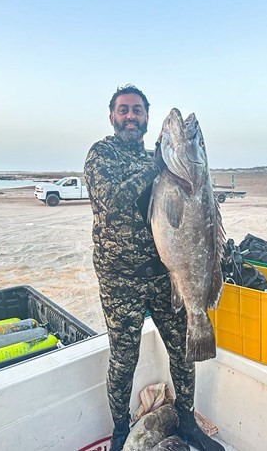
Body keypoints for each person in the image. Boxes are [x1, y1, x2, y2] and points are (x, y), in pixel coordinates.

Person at [84, 84, 224, 451]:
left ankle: (188, 420)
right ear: (112, 116)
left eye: (138, 110)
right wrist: (156, 167)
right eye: (124, 109)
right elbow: (110, 201)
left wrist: (163, 165)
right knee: (123, 360)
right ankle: (118, 432)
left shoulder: (158, 161)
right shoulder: (102, 155)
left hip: (165, 276)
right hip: (121, 282)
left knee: (182, 351)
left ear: (147, 118)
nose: (131, 116)